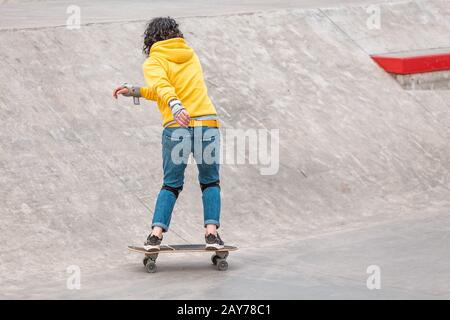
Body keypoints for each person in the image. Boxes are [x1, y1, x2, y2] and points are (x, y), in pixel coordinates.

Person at [113, 17, 224, 251]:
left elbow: (165, 88)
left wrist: (175, 106)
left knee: (171, 185)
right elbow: (165, 90)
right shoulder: (189, 55)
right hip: (206, 124)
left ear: (150, 39)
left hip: (177, 127)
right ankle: (212, 233)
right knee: (210, 182)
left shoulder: (154, 61)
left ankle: (155, 235)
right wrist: (135, 91)